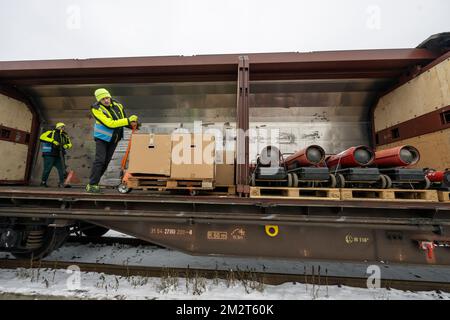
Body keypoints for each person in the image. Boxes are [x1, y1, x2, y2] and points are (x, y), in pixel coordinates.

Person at [86, 88, 138, 193]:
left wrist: (134, 124)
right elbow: (110, 123)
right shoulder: (96, 108)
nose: (106, 100)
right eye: (103, 99)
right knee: (100, 160)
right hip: (102, 138)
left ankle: (94, 183)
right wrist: (128, 120)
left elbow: (122, 120)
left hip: (114, 138)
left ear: (109, 96)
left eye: (107, 97)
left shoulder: (118, 105)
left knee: (106, 162)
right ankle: (92, 184)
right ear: (99, 100)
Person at [40, 122, 72, 187]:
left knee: (62, 169)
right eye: (62, 127)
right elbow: (42, 137)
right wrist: (53, 141)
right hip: (49, 154)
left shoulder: (65, 135)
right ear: (58, 127)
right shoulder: (51, 132)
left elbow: (70, 143)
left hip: (59, 154)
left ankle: (62, 183)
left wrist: (66, 146)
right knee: (47, 169)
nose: (63, 128)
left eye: (64, 127)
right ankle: (43, 182)